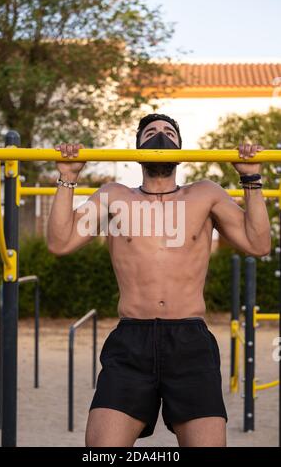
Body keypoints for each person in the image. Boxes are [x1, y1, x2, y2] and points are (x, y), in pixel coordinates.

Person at [47, 113, 271, 447]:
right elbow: (59, 242)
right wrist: (67, 178)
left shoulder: (205, 194)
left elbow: (258, 243)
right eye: (151, 132)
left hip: (190, 341)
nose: (160, 136)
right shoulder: (114, 196)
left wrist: (251, 180)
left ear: (180, 148)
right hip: (131, 341)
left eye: (168, 132)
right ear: (139, 149)